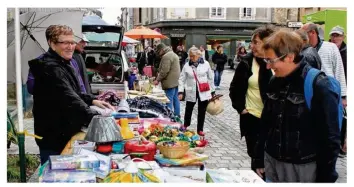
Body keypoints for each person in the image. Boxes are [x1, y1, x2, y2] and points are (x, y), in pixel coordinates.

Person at [254, 29, 341, 182]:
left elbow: (330, 137)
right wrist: (259, 158)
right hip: (272, 161)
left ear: (289, 57)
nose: (268, 66)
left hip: (302, 168)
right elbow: (266, 123)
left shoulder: (319, 84)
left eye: (271, 61)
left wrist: (325, 177)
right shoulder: (275, 82)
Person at [28, 25, 114, 165]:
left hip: (65, 130)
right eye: (65, 42)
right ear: (52, 43)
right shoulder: (50, 67)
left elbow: (74, 91)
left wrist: (93, 101)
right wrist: (96, 119)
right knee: (53, 174)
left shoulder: (64, 62)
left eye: (72, 42)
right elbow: (69, 97)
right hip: (53, 135)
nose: (70, 47)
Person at [229, 24, 275, 175]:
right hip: (252, 117)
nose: (252, 46)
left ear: (267, 42)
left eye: (256, 42)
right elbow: (234, 88)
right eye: (251, 42)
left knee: (272, 159)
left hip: (274, 121)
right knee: (256, 160)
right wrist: (241, 108)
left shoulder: (275, 62)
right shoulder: (246, 62)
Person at [301, 23, 347, 108]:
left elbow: (339, 70)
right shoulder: (301, 50)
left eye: (304, 33)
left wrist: (343, 96)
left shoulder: (331, 47)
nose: (301, 36)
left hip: (329, 92)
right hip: (308, 93)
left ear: (313, 32)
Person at [178, 47, 215, 136]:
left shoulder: (205, 64)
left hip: (203, 91)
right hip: (191, 90)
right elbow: (182, 79)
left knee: (202, 111)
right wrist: (180, 92)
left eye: (193, 56)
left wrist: (212, 91)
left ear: (198, 55)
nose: (191, 58)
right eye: (190, 56)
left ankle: (200, 129)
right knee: (188, 109)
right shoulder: (187, 65)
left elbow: (210, 78)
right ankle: (186, 124)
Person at [329, 25, 347, 157]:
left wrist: (345, 94)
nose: (335, 38)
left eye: (338, 35)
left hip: (344, 87)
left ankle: (341, 145)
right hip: (331, 88)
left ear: (343, 37)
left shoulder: (347, 52)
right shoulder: (327, 49)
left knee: (343, 117)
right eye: (333, 35)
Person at [153, 43, 181, 117]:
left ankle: (169, 116)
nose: (159, 54)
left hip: (169, 82)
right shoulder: (173, 54)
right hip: (175, 81)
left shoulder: (166, 56)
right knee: (175, 99)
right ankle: (177, 115)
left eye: (159, 52)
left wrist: (157, 80)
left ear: (162, 50)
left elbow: (164, 71)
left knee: (168, 100)